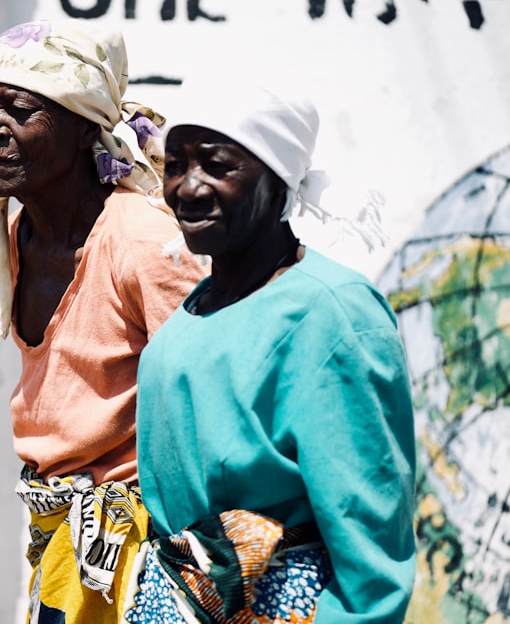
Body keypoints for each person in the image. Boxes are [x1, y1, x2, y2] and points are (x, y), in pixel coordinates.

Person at [127, 80, 416, 623]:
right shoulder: (191, 314)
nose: (188, 189)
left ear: (277, 178)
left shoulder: (333, 313)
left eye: (217, 166)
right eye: (176, 165)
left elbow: (372, 541)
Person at [0, 20, 207, 623]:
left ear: (80, 128)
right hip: (64, 536)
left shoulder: (143, 242)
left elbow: (208, 402)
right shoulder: (13, 237)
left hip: (148, 557)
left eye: (18, 110)